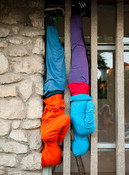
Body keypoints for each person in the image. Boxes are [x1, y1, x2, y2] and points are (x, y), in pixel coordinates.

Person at [40, 8, 70, 167]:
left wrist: (60, 139)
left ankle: (49, 20)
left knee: (56, 54)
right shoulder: (47, 137)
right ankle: (49, 24)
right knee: (53, 56)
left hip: (55, 90)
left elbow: (65, 118)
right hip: (52, 93)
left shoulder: (50, 137)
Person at [68, 14, 95, 156]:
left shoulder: (87, 129)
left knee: (78, 47)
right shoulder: (75, 129)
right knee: (80, 48)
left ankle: (75, 12)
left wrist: (90, 100)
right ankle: (77, 16)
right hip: (74, 84)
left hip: (81, 83)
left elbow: (91, 107)